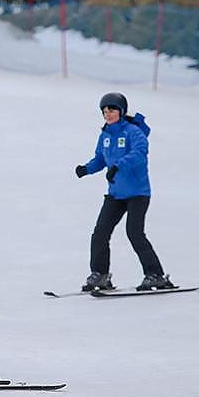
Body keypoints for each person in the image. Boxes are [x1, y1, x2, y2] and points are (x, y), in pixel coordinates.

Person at [75, 92, 174, 292]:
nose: (107, 114)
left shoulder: (133, 132)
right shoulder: (105, 135)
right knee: (100, 233)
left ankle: (155, 275)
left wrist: (118, 166)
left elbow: (139, 153)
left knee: (134, 232)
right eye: (104, 111)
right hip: (116, 194)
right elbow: (100, 159)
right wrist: (86, 169)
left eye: (111, 109)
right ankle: (100, 275)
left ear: (120, 111)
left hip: (138, 193)